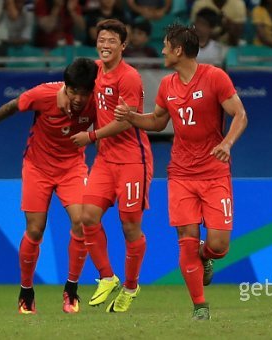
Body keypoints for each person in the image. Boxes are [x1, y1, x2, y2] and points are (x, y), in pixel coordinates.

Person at [114, 23, 248, 320]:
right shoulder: (166, 85)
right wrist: (132, 117)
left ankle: (206, 255)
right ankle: (200, 306)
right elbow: (159, 122)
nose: (161, 50)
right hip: (181, 175)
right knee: (185, 239)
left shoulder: (214, 77)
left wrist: (227, 144)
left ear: (178, 50)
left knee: (219, 244)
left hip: (214, 172)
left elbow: (240, 114)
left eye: (164, 45)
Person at [0, 58, 99, 314]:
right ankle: (26, 291)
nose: (79, 98)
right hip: (37, 168)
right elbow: (12, 106)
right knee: (35, 231)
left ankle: (71, 289)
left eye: (84, 92)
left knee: (82, 223)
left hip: (73, 167)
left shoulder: (97, 101)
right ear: (66, 87)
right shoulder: (43, 94)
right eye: (74, 91)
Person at [60, 18, 153, 314]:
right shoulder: (95, 72)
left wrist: (91, 135)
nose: (105, 45)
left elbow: (125, 119)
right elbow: (71, 85)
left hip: (132, 159)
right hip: (105, 159)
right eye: (101, 40)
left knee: (129, 226)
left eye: (112, 41)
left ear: (123, 46)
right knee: (87, 216)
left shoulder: (130, 78)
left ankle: (130, 286)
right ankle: (106, 277)